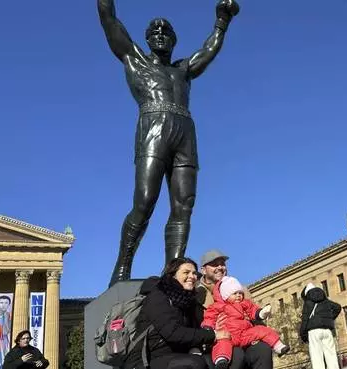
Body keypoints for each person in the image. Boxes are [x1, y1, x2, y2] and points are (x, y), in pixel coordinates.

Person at [98, 0, 241, 287]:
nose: (161, 34)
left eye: (167, 32)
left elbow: (209, 50)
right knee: (145, 201)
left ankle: (173, 271)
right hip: (153, 126)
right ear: (148, 39)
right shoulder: (134, 58)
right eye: (155, 31)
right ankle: (122, 266)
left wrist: (222, 20)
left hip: (185, 131)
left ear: (174, 41)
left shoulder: (183, 69)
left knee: (183, 205)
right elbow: (109, 19)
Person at [124, 257, 221, 369]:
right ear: (173, 275)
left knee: (210, 361)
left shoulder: (189, 303)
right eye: (186, 272)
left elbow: (198, 330)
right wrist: (213, 335)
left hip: (174, 356)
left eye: (194, 273)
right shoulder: (158, 297)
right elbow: (173, 333)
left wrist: (215, 328)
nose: (192, 276)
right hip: (146, 360)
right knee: (194, 363)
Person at [195, 249, 272, 369]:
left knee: (262, 349)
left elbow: (254, 313)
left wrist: (251, 323)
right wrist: (213, 330)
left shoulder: (239, 290)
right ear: (203, 270)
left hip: (244, 336)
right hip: (216, 343)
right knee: (236, 354)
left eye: (222, 264)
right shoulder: (197, 293)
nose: (220, 267)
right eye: (215, 264)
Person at [202, 276, 289, 369]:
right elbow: (209, 317)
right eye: (235, 293)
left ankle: (278, 346)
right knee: (222, 342)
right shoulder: (219, 306)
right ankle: (221, 359)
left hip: (245, 334)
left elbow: (252, 310)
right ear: (226, 295)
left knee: (262, 330)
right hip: (229, 334)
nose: (239, 295)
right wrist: (208, 327)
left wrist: (260, 313)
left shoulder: (244, 303)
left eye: (240, 293)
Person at [299, 282, 342, 369]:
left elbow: (305, 320)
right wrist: (328, 318)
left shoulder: (308, 303)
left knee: (316, 356)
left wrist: (303, 335)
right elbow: (337, 307)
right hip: (327, 330)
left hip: (314, 331)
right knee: (331, 354)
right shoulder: (325, 300)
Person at [0, 295, 12, 369]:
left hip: (4, 337)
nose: (3, 305)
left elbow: (8, 329)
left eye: (6, 303)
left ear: (9, 304)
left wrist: (4, 318)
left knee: (4, 352)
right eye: (1, 302)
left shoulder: (8, 315)